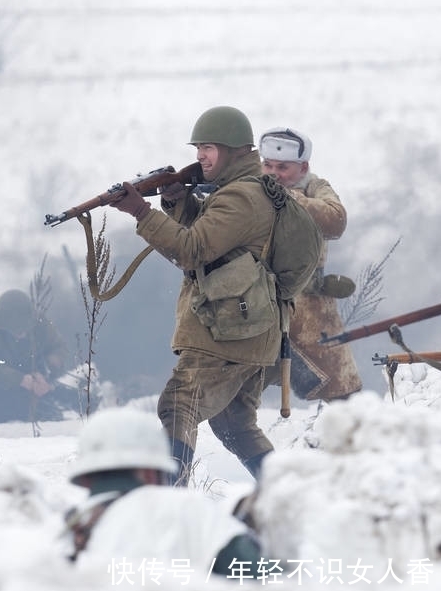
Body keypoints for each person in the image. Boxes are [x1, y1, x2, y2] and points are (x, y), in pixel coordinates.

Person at [108, 105, 282, 485]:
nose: (200, 155)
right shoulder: (241, 191)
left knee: (178, 402)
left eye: (209, 147)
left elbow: (193, 250)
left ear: (235, 150)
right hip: (247, 327)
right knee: (234, 422)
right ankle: (287, 494)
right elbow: (217, 241)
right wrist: (177, 201)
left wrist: (141, 211)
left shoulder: (240, 197)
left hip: (227, 330)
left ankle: (172, 499)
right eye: (198, 147)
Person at [64, 407, 263, 581]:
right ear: (151, 474)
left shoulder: (66, 530)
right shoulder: (187, 509)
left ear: (85, 479)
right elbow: (258, 574)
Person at [256, 127, 362, 401]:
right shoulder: (252, 184)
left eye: (283, 167)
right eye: (268, 165)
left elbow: (335, 220)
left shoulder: (315, 187)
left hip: (309, 306)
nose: (274, 173)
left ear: (303, 167)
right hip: (257, 299)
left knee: (339, 386)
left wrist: (292, 199)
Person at [0, 289, 78, 424]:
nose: (21, 335)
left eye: (23, 330)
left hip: (29, 387)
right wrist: (20, 379)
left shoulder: (38, 321)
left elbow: (59, 347)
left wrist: (45, 370)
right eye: (16, 331)